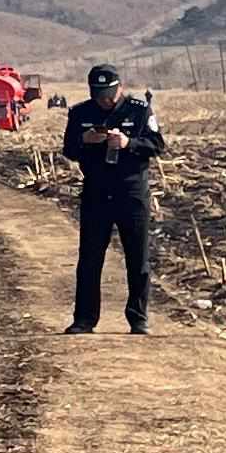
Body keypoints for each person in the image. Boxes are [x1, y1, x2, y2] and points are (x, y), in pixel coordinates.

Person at [60, 60, 166, 333]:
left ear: (120, 88)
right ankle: (84, 319)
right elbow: (69, 150)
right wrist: (85, 140)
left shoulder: (139, 110)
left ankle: (138, 318)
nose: (105, 101)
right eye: (99, 95)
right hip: (96, 191)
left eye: (109, 95)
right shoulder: (80, 113)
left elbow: (157, 145)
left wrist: (129, 143)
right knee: (90, 258)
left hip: (131, 192)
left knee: (137, 258)